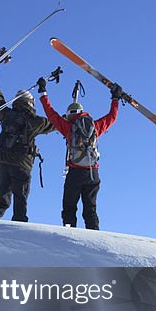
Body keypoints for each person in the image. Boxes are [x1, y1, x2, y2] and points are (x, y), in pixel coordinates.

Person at [37, 78, 122, 230]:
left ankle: (69, 233)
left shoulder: (68, 127)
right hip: (92, 172)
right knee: (90, 209)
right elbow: (112, 117)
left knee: (69, 206)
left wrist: (43, 92)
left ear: (69, 114)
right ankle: (94, 235)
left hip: (75, 172)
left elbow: (51, 114)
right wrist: (115, 98)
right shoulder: (95, 127)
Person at [0, 58, 55, 223]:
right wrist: (71, 118)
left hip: (4, 163)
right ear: (30, 103)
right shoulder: (35, 121)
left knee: (3, 199)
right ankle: (19, 231)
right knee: (20, 200)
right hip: (22, 165)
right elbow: (56, 124)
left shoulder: (6, 114)